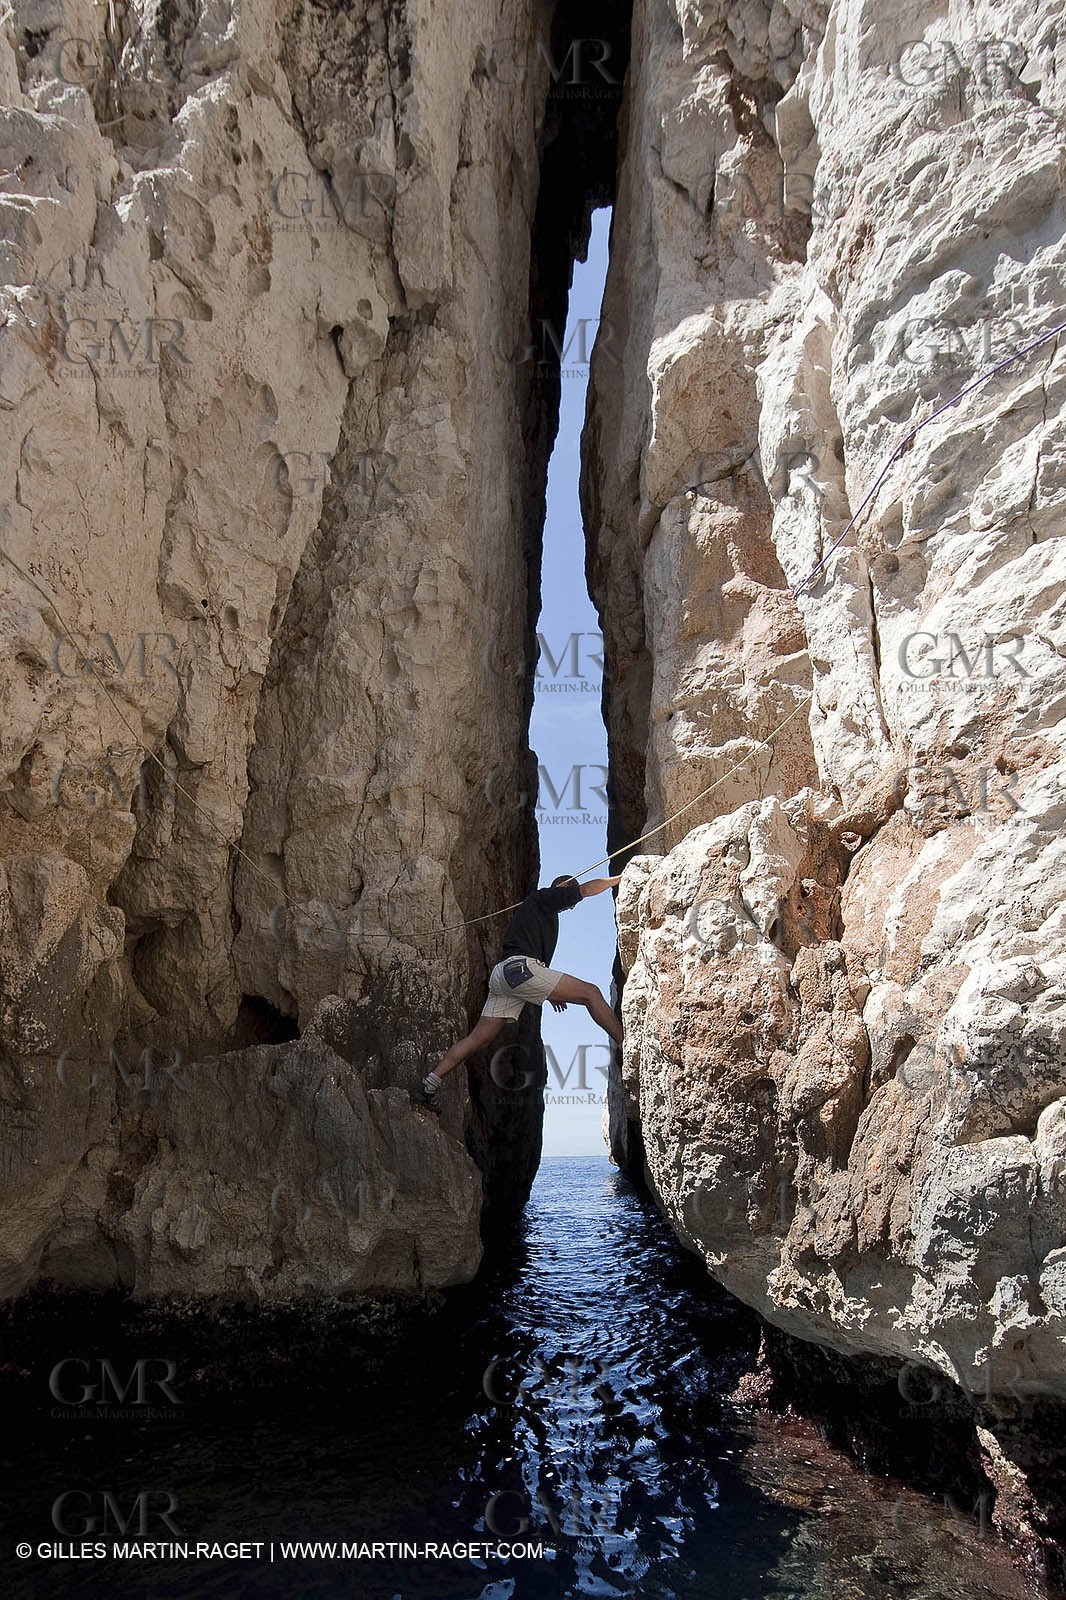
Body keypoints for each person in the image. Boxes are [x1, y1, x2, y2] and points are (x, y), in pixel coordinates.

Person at [416, 873, 623, 1110]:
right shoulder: (545, 897)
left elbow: (540, 967)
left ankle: (429, 1084)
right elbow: (585, 890)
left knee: (478, 1039)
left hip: (504, 975)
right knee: (591, 993)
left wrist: (552, 995)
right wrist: (618, 879)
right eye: (570, 899)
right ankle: (624, 1044)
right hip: (520, 970)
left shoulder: (542, 911)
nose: (571, 906)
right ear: (563, 887)